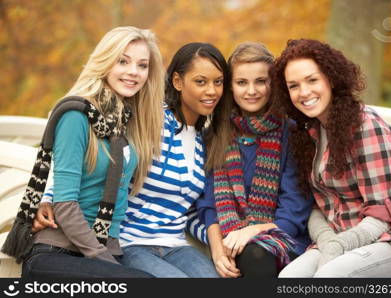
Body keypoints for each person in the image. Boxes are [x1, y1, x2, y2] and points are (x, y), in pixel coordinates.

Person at [33, 42, 228, 278]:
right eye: (201, 81)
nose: (212, 91)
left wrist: (224, 242)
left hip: (175, 244)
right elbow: (95, 154)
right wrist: (48, 196)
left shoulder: (204, 141)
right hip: (128, 241)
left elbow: (192, 210)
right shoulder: (149, 120)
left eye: (218, 82)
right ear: (177, 82)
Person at [2, 26, 166, 278]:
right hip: (57, 252)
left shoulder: (126, 121)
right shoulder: (75, 116)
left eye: (142, 65)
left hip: (102, 251)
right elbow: (66, 203)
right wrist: (107, 261)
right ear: (105, 62)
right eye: (123, 61)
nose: (133, 71)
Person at [273, 38, 391, 277]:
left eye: (312, 80)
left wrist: (338, 248)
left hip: (390, 241)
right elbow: (317, 206)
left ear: (331, 78)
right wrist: (329, 241)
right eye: (294, 85)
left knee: (330, 277)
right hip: (337, 239)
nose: (304, 92)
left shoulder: (366, 127)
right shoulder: (309, 133)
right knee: (289, 278)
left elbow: (382, 213)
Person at [197, 42, 314, 278]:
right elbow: (209, 202)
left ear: (274, 84)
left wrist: (252, 231)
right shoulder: (215, 135)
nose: (252, 91)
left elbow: (294, 209)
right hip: (231, 235)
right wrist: (218, 250)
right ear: (230, 86)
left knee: (254, 254)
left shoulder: (292, 133)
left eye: (261, 81)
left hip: (280, 237)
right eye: (242, 82)